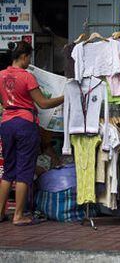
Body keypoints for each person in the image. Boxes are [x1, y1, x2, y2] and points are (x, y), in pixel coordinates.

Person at [0, 41, 64, 226]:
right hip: (25, 124)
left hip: (6, 123)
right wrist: (65, 97)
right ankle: (18, 216)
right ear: (24, 57)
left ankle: (0, 212)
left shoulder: (1, 75)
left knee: (8, 171)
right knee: (24, 170)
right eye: (30, 57)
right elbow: (43, 103)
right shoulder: (27, 77)